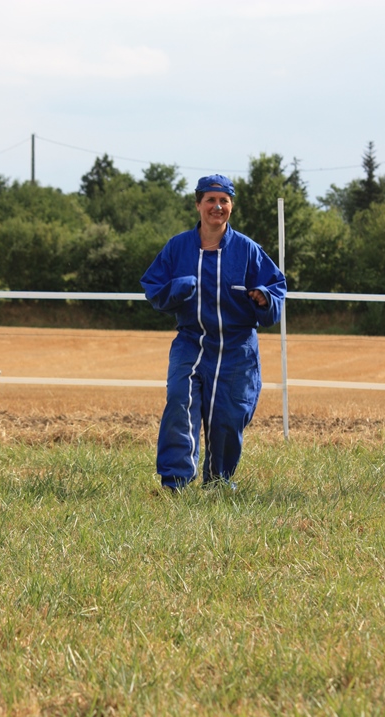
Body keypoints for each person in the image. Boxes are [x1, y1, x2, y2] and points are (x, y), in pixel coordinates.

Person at [140, 174, 287, 492]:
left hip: (237, 350)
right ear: (198, 204)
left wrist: (264, 296)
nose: (217, 207)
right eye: (210, 200)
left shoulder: (247, 250)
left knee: (228, 416)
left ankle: (218, 480)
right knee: (180, 401)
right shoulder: (177, 248)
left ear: (231, 206)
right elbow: (153, 287)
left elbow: (276, 288)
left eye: (224, 201)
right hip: (191, 343)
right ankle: (175, 483)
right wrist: (177, 288)